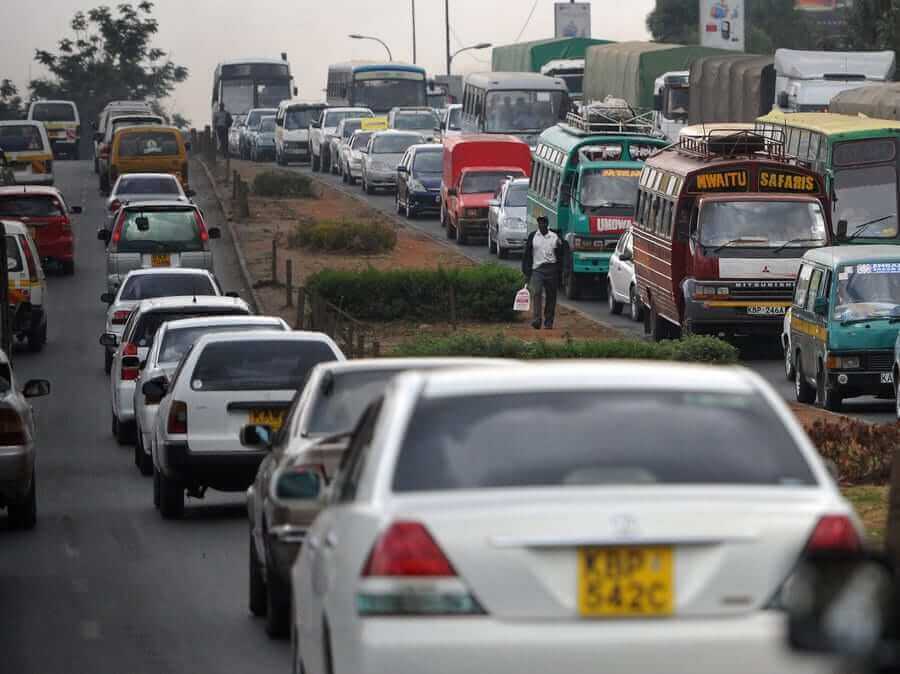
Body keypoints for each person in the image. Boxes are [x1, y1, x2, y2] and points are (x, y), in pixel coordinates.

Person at [522, 215, 564, 330]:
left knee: (551, 296)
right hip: (537, 269)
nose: (542, 225)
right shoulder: (533, 236)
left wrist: (561, 272)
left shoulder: (554, 237)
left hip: (551, 269)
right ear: (538, 224)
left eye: (544, 223)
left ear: (547, 224)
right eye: (540, 223)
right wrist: (526, 272)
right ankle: (536, 320)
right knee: (537, 292)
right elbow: (527, 255)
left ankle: (549, 321)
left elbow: (561, 254)